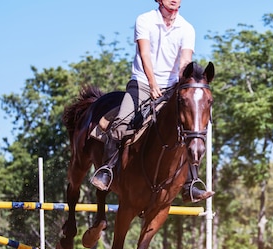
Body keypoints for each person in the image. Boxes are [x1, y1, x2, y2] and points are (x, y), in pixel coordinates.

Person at [90, 0, 213, 203]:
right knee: (122, 124)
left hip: (173, 87)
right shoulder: (145, 20)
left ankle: (191, 182)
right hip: (142, 83)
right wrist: (153, 83)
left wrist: (184, 83)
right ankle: (107, 169)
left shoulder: (187, 28)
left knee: (189, 128)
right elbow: (144, 54)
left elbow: (185, 61)